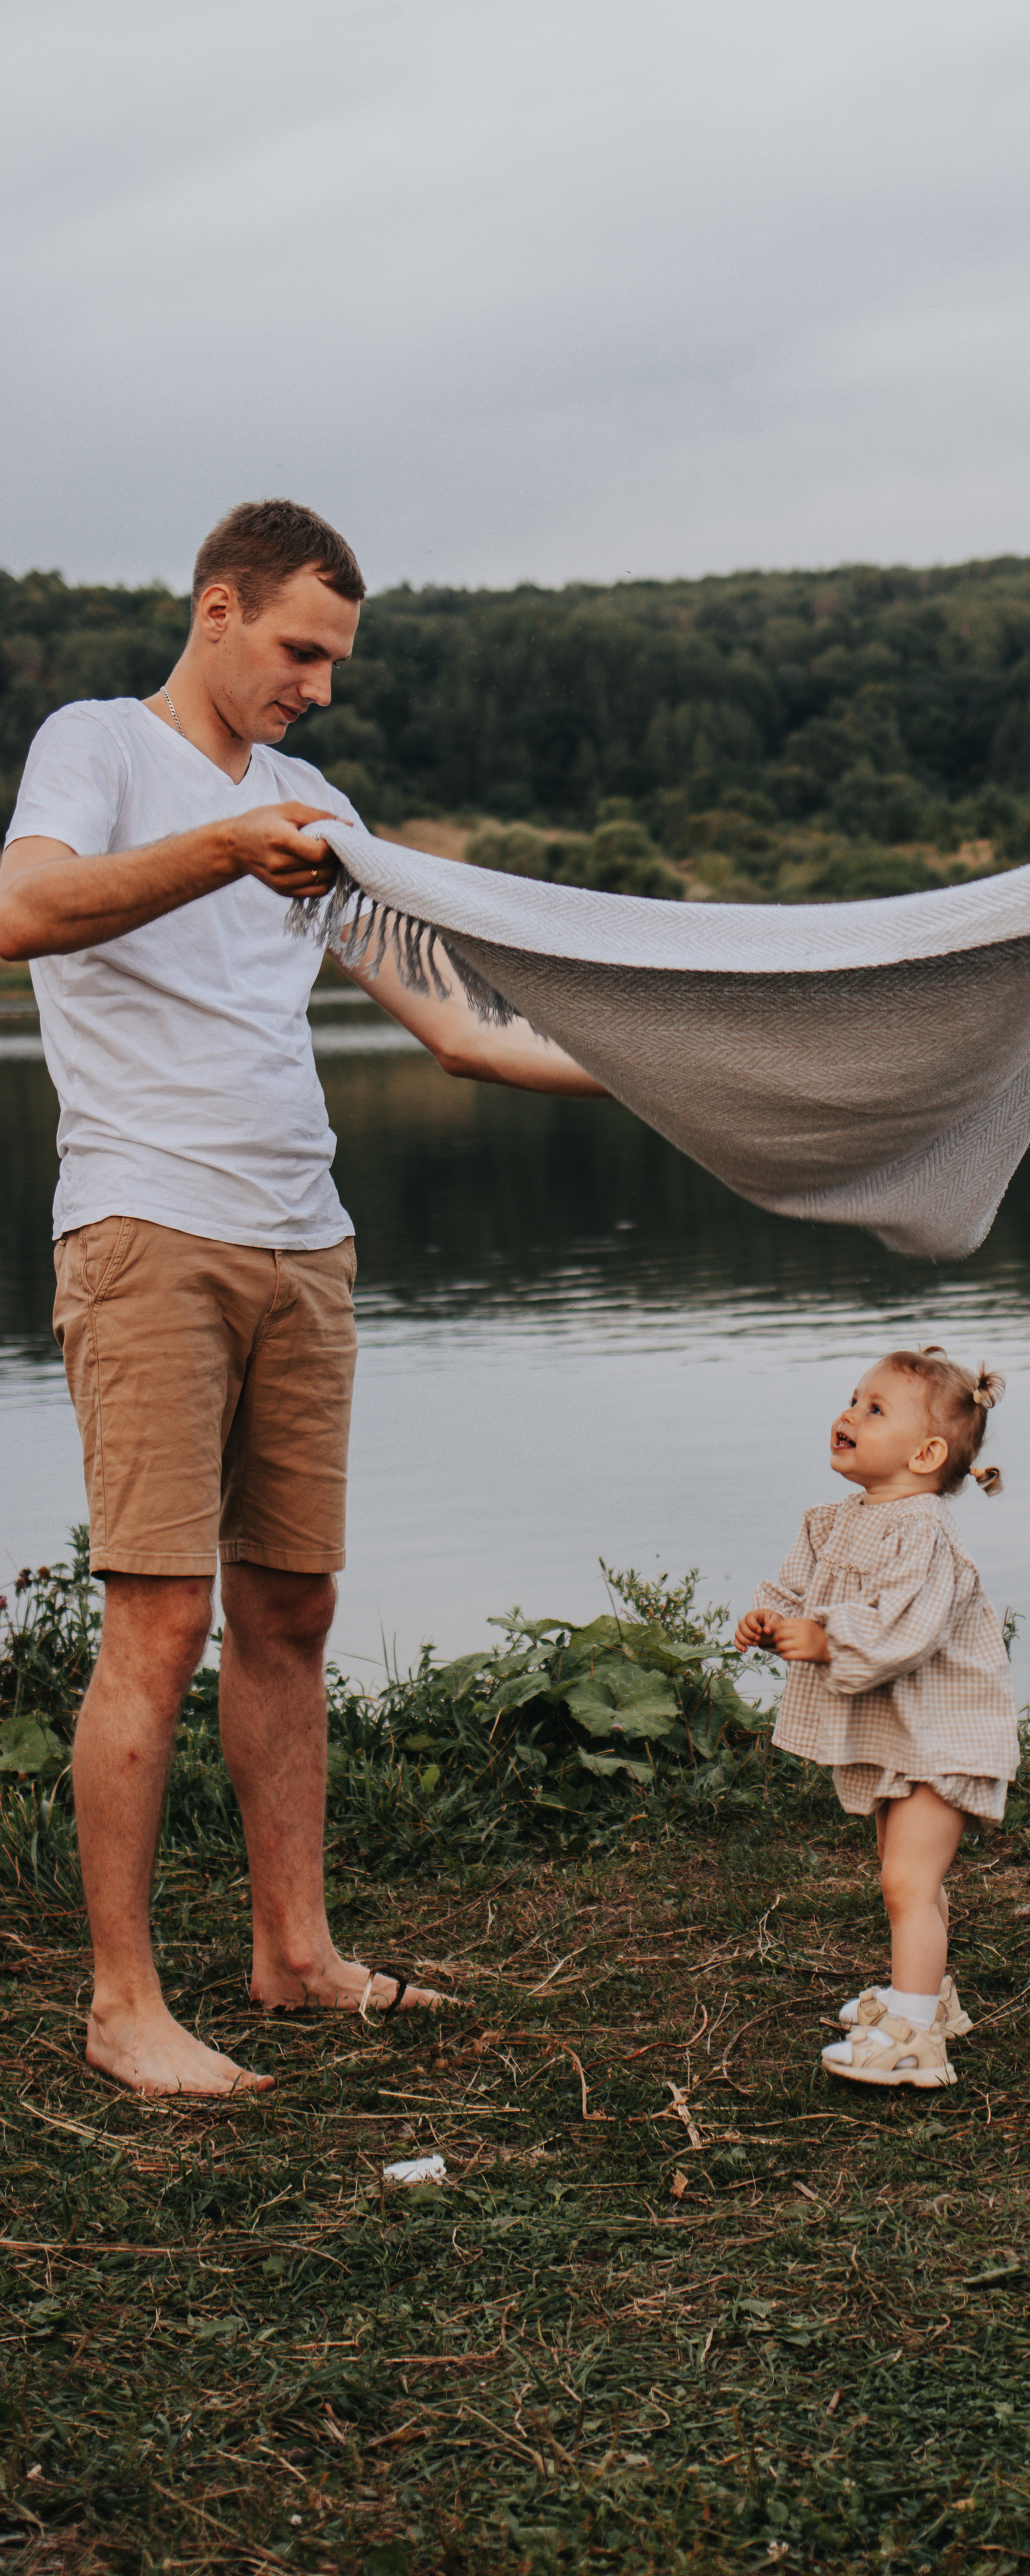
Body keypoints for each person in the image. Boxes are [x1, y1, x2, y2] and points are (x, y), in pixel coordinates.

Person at [0, 498, 607, 2099]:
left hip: (303, 1239)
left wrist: (672, 1078)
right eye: (299, 651)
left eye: (336, 661)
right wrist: (218, 850)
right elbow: (19, 912)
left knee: (290, 1608)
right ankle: (123, 2004)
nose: (319, 687)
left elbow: (459, 1024)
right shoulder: (97, 745)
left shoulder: (316, 804)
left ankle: (293, 1953)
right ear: (218, 609)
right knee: (160, 1615)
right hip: (145, 1231)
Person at [735, 1345, 1015, 2088]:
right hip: (902, 1734)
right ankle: (919, 1995)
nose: (848, 1415)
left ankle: (915, 2042)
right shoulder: (835, 1520)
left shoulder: (924, 1531)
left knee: (907, 1883)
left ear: (925, 1454)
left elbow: (904, 1631)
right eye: (853, 1399)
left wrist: (827, 1640)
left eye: (873, 1409)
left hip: (945, 1734)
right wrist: (775, 1621)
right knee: (903, 1873)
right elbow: (801, 1590)